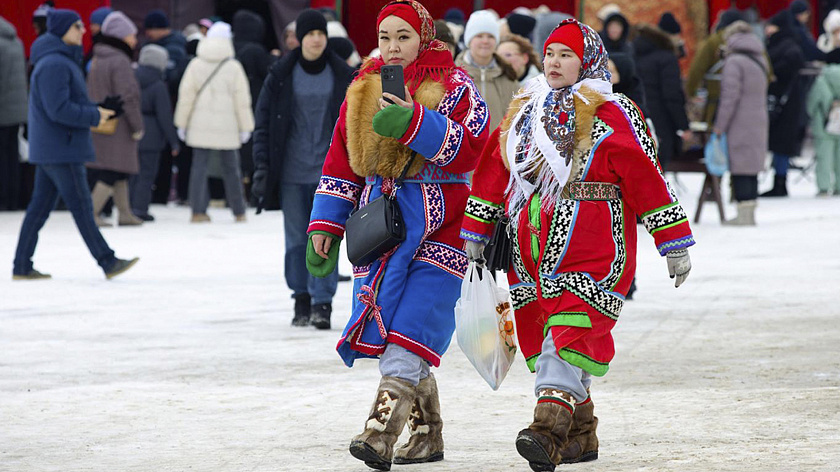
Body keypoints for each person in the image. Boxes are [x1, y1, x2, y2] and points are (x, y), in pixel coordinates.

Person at [460, 19, 694, 470]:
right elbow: (495, 165)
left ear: (587, 60)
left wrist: (673, 241)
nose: (554, 62)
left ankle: (546, 430)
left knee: (567, 333)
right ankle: (581, 435)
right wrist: (477, 228)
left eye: (566, 55)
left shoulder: (612, 110)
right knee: (552, 334)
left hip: (593, 249)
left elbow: (645, 176)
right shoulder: (525, 108)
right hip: (530, 251)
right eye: (550, 53)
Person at [306, 1, 490, 468]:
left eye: (403, 37)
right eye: (385, 36)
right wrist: (325, 223)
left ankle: (378, 432)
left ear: (424, 37)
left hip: (444, 224)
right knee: (398, 333)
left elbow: (474, 150)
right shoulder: (362, 84)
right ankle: (428, 436)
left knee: (412, 327)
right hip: (382, 226)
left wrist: (415, 123)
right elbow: (340, 159)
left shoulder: (456, 85)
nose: (392, 47)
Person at [13, 9, 138, 280]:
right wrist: (95, 115)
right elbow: (58, 110)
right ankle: (107, 261)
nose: (83, 31)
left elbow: (64, 104)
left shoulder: (58, 60)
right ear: (62, 30)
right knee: (82, 207)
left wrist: (101, 108)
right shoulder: (54, 63)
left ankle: (21, 265)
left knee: (39, 209)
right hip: (62, 148)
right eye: (77, 26)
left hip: (55, 147)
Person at [251, 9, 354, 328]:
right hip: (292, 171)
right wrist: (261, 167)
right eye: (310, 34)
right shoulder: (281, 74)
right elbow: (264, 123)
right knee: (296, 239)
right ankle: (301, 297)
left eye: (321, 34)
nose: (316, 39)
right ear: (300, 37)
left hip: (331, 173)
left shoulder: (342, 74)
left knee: (327, 236)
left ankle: (322, 302)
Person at [174, 22, 253, 223]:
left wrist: (181, 123)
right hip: (228, 126)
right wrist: (246, 127)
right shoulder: (233, 66)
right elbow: (242, 101)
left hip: (199, 125)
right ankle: (239, 210)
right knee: (232, 168)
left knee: (198, 167)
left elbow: (186, 96)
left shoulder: (196, 64)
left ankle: (197, 211)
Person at [86, 11, 145, 227]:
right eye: (131, 35)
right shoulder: (120, 60)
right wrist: (137, 125)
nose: (134, 39)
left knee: (120, 168)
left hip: (102, 122)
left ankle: (124, 213)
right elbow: (127, 96)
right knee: (112, 170)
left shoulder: (98, 58)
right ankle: (91, 212)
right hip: (119, 125)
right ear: (121, 36)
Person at [714, 22, 769, 224]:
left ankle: (743, 215)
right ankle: (749, 213)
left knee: (740, 166)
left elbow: (730, 97)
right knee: (752, 165)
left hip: (740, 120)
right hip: (758, 118)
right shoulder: (760, 57)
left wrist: (720, 125)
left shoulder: (734, 61)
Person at [131, 44, 180, 221]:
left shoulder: (131, 78)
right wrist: (173, 141)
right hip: (152, 136)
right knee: (147, 174)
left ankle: (129, 207)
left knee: (133, 174)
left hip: (132, 131)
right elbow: (164, 115)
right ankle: (140, 209)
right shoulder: (158, 85)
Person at [633, 23, 691, 169]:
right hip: (661, 122)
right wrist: (683, 125)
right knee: (657, 171)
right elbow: (672, 95)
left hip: (635, 117)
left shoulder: (633, 55)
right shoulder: (667, 58)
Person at [763, 9, 806, 197]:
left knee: (781, 143)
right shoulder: (786, 43)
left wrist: (773, 76)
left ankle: (780, 183)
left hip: (785, 103)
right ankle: (779, 181)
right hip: (785, 102)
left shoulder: (786, 46)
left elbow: (790, 66)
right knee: (780, 144)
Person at [455, 10, 519, 131]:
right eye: (479, 36)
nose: (485, 41)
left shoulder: (508, 75)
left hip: (498, 147)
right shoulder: (454, 75)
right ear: (469, 40)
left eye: (490, 36)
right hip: (466, 148)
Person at [0, 15, 28, 211]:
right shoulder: (16, 42)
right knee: (12, 155)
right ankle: (14, 197)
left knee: (3, 156)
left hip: (3, 108)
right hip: (17, 109)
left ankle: (4, 199)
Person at [806, 63, 840, 196]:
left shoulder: (822, 81)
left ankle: (824, 188)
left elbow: (812, 103)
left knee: (824, 158)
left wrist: (811, 116)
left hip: (823, 126)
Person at [143, 10, 188, 98]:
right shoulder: (153, 43)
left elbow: (169, 76)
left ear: (159, 28)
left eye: (149, 29)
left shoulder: (175, 47)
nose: (147, 33)